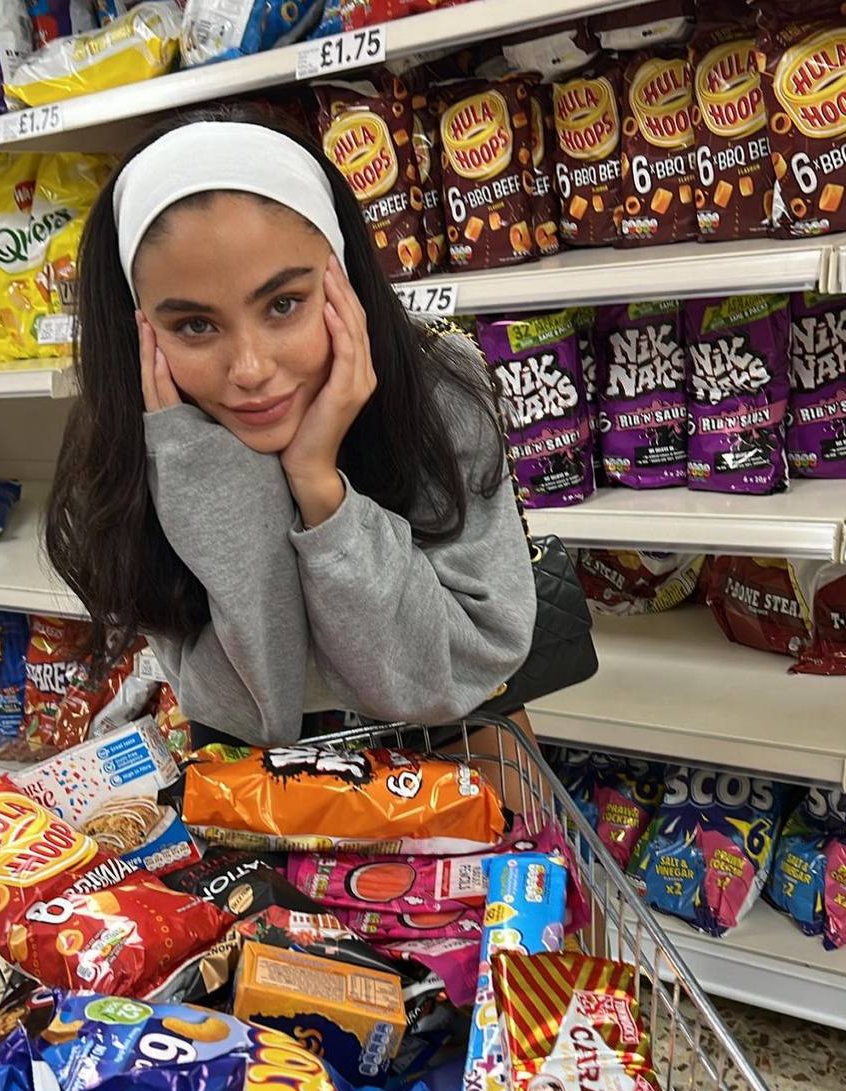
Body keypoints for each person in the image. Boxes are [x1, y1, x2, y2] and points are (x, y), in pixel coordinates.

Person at [45, 107, 537, 748]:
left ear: (343, 277)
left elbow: (445, 680)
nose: (251, 370)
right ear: (139, 327)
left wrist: (320, 488)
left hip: (451, 759)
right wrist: (214, 481)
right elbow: (254, 713)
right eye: (195, 325)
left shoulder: (438, 395)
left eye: (284, 304)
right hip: (259, 784)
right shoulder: (139, 448)